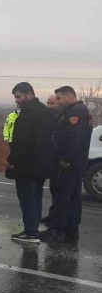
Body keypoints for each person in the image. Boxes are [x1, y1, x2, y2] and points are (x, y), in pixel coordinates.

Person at [40, 86, 92, 242]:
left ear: (69, 96)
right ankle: (71, 228)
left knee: (62, 196)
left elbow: (74, 141)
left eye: (59, 98)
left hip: (68, 164)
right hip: (75, 163)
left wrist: (65, 161)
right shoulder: (76, 110)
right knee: (73, 197)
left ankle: (57, 230)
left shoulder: (76, 113)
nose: (58, 101)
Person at [5, 82, 55, 243]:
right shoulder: (45, 112)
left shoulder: (27, 114)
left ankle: (31, 232)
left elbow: (21, 141)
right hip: (42, 164)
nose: (16, 101)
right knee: (36, 197)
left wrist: (11, 161)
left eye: (18, 97)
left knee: (27, 199)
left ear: (29, 94)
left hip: (27, 165)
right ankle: (33, 230)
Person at [40, 94, 64, 225]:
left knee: (60, 190)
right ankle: (52, 214)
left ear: (59, 104)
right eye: (48, 103)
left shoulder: (62, 118)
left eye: (52, 103)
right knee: (54, 188)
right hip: (52, 159)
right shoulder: (52, 117)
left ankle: (57, 220)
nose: (49, 106)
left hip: (61, 160)